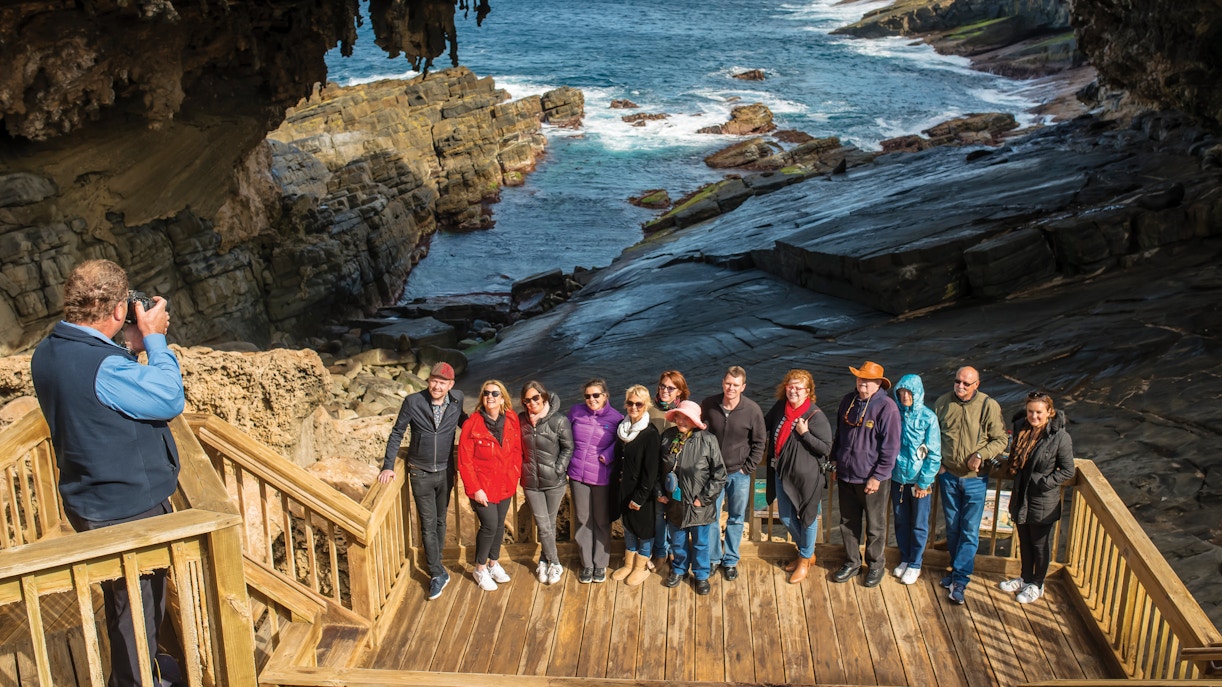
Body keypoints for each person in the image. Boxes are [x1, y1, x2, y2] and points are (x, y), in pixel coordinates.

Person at [31, 259, 182, 687]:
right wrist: (154, 340)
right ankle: (138, 680)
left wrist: (125, 345)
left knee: (123, 602)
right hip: (128, 507)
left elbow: (93, 396)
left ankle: (145, 669)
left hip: (89, 501)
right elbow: (169, 398)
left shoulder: (48, 351)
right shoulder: (106, 368)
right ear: (119, 311)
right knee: (137, 609)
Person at [381, 361, 467, 600]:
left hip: (446, 471)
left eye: (442, 382)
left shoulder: (457, 399)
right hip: (420, 472)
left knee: (441, 521)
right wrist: (388, 466)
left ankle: (436, 563)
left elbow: (468, 425)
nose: (436, 386)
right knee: (428, 524)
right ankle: (437, 572)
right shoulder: (413, 402)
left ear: (450, 385)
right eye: (433, 380)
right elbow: (397, 432)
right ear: (428, 380)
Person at [934, 365, 1008, 605]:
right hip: (948, 477)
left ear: (977, 384)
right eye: (957, 381)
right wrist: (939, 465)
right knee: (953, 528)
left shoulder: (989, 405)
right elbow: (933, 436)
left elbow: (1001, 439)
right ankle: (955, 571)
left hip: (975, 481)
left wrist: (982, 454)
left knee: (969, 530)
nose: (960, 386)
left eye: (966, 383)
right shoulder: (943, 403)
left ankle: (961, 579)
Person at [830, 361, 901, 588]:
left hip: (871, 479)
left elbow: (891, 447)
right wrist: (834, 461)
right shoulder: (846, 401)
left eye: (868, 381)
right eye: (860, 379)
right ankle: (852, 562)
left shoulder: (887, 407)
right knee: (847, 522)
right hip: (846, 474)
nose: (863, 384)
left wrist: (878, 476)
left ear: (879, 383)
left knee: (875, 526)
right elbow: (839, 434)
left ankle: (876, 565)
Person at [999, 392, 1075, 604]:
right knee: (1024, 541)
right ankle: (1025, 578)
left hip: (1043, 499)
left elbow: (1068, 470)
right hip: (1021, 494)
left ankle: (1037, 585)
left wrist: (1043, 483)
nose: (1034, 416)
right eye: (1031, 411)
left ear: (1049, 412)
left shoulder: (1060, 437)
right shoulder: (1022, 428)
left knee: (1039, 544)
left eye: (1039, 412)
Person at [764, 369, 833, 584]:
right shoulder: (780, 408)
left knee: (808, 517)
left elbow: (825, 448)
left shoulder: (815, 416)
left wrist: (805, 434)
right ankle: (807, 551)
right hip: (781, 472)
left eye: (798, 388)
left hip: (806, 478)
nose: (793, 391)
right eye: (790, 386)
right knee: (785, 516)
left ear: (808, 392)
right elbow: (762, 426)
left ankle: (804, 559)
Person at [700, 366, 766, 582]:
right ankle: (712, 559)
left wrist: (746, 468)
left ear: (743, 387)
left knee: (736, 518)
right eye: (728, 383)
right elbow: (701, 434)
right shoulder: (709, 404)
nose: (731, 388)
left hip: (739, 474)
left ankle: (730, 560)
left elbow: (759, 442)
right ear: (723, 383)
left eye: (736, 385)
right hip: (713, 474)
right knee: (711, 517)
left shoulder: (752, 410)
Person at [457, 379, 522, 591]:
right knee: (489, 525)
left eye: (495, 394)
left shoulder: (511, 419)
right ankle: (480, 568)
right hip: (482, 487)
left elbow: (517, 451)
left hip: (505, 483)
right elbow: (465, 461)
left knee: (500, 523)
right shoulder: (472, 424)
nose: (490, 397)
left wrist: (515, 474)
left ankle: (494, 563)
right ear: (482, 398)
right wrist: (475, 489)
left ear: (502, 398)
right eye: (486, 393)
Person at [659, 400, 727, 595]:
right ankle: (679, 570)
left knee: (700, 543)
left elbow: (719, 475)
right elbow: (658, 470)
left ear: (695, 420)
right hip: (675, 503)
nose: (681, 420)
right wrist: (660, 493)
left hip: (699, 506)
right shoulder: (667, 437)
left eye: (686, 417)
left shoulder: (707, 440)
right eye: (678, 416)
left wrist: (703, 499)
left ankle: (701, 575)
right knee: (677, 541)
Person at [567, 378, 624, 583]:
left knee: (600, 521)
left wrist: (607, 456)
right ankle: (587, 564)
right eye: (588, 396)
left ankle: (600, 563)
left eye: (596, 395)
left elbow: (621, 443)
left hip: (602, 476)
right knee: (583, 520)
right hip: (577, 475)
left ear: (605, 396)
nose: (591, 399)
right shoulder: (575, 412)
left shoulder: (617, 418)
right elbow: (564, 437)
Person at [519, 380, 573, 585]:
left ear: (544, 396)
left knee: (546, 526)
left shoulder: (559, 421)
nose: (532, 403)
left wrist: (558, 469)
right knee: (544, 525)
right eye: (527, 400)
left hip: (554, 483)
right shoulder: (521, 420)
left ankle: (544, 560)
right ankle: (555, 562)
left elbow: (568, 448)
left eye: (536, 398)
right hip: (530, 482)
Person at [890, 374, 942, 585]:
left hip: (919, 481)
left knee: (919, 524)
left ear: (917, 393)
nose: (905, 396)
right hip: (897, 478)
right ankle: (905, 558)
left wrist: (924, 481)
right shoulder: (894, 414)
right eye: (901, 392)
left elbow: (934, 453)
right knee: (901, 520)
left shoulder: (928, 418)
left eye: (909, 392)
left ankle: (916, 563)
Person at [611, 385, 661, 586]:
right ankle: (629, 563)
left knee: (644, 529)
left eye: (638, 404)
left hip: (642, 492)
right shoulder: (622, 429)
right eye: (630, 403)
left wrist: (639, 497)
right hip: (623, 489)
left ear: (646, 405)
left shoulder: (650, 434)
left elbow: (651, 471)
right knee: (628, 527)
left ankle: (641, 565)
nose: (634, 407)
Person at [648, 370, 689, 567]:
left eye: (670, 388)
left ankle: (675, 551)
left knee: (675, 515)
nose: (665, 390)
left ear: (679, 392)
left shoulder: (685, 413)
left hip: (676, 474)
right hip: (654, 473)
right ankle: (660, 551)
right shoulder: (648, 410)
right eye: (662, 386)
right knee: (657, 514)